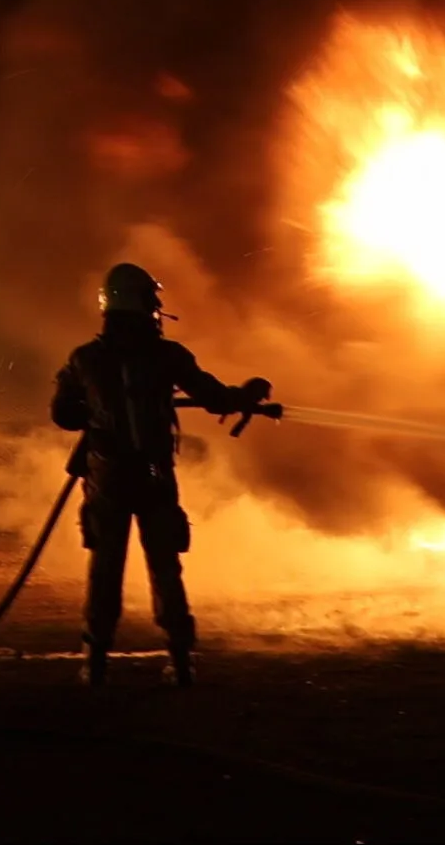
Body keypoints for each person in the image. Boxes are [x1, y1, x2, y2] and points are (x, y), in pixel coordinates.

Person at [50, 262, 270, 688]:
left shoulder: (85, 359)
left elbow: (63, 414)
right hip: (153, 476)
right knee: (165, 565)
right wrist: (250, 392)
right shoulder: (167, 357)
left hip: (108, 478)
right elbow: (216, 399)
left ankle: (95, 661)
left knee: (105, 568)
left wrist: (95, 412)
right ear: (145, 305)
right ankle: (181, 660)